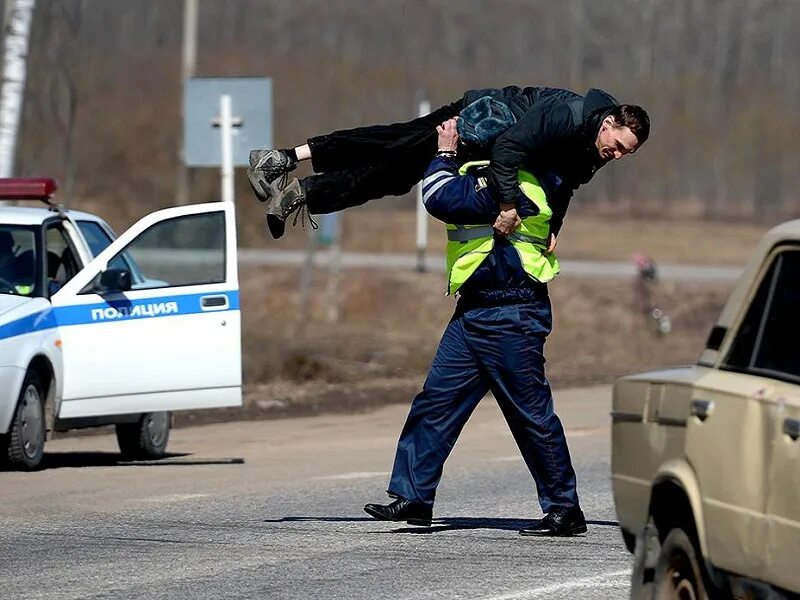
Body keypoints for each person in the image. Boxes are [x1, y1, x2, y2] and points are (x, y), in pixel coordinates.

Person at [362, 119, 585, 537]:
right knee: (436, 402)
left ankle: (564, 509)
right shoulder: (531, 177)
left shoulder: (510, 184)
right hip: (474, 310)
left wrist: (444, 153)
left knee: (531, 416)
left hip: (512, 313)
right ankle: (414, 497)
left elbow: (438, 198)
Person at [247, 86, 649, 239]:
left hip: (483, 145)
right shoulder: (568, 116)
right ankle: (282, 158)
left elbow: (565, 185)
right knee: (395, 146)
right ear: (609, 122)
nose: (616, 155)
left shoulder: (594, 148)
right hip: (476, 121)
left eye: (624, 154)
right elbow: (509, 149)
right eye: (617, 144)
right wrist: (508, 206)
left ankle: (301, 193)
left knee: (390, 176)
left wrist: (553, 229)